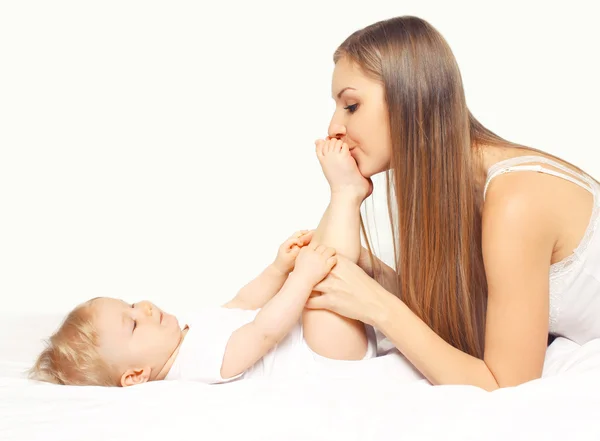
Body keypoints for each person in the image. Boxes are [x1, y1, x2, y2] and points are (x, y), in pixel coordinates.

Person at [303, 15, 600, 391]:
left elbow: (507, 386)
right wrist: (383, 277)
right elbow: (480, 328)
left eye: (351, 106)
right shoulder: (461, 189)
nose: (333, 127)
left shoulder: (517, 201)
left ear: (409, 97)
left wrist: (379, 305)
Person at [28, 145, 377, 387]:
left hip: (320, 338)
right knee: (320, 281)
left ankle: (345, 191)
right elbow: (263, 332)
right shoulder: (195, 365)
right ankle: (346, 193)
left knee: (318, 254)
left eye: (132, 305)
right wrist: (299, 279)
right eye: (133, 324)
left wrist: (277, 268)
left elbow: (243, 303)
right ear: (136, 375)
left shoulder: (190, 333)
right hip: (328, 357)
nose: (145, 308)